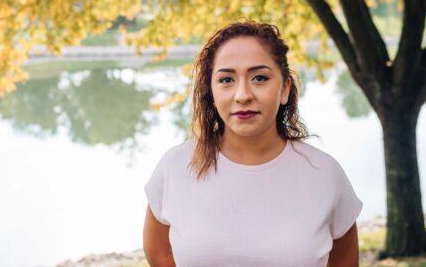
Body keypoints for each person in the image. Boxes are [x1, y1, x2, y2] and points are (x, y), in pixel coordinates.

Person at [143, 21, 363, 267]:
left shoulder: (325, 174)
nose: (243, 95)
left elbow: (344, 261)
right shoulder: (176, 166)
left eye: (259, 78)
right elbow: (159, 252)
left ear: (285, 89)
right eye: (227, 79)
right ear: (211, 91)